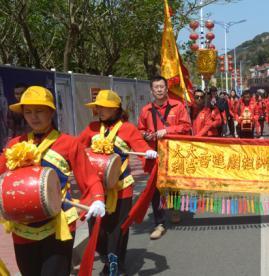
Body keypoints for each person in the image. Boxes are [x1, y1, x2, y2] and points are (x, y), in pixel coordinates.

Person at [0, 86, 106, 275]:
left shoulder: (69, 143)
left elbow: (89, 177)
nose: (34, 117)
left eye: (40, 111)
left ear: (51, 112)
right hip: (22, 227)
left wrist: (97, 198)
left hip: (59, 225)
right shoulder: (14, 144)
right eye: (28, 112)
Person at [79, 89, 158, 275]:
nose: (101, 111)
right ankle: (107, 257)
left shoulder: (128, 128)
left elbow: (141, 147)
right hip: (96, 189)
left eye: (105, 107)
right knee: (97, 231)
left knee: (117, 230)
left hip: (122, 187)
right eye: (99, 107)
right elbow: (76, 150)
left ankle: (115, 265)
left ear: (116, 110)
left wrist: (149, 154)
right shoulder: (91, 128)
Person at [137, 76, 191, 236]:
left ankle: (174, 209)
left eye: (162, 87)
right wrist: (146, 135)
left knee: (173, 183)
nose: (159, 89)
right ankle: (159, 224)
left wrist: (167, 131)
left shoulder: (178, 106)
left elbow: (186, 126)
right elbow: (139, 129)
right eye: (156, 87)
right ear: (151, 91)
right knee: (155, 188)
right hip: (154, 154)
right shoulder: (145, 110)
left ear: (166, 89)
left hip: (173, 153)